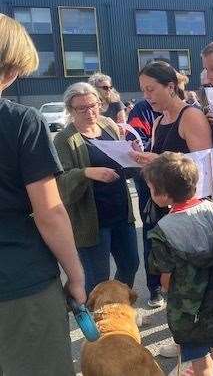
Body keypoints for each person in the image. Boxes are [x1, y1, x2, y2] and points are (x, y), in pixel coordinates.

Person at [0, 14, 85, 376]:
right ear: (9, 68)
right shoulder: (21, 121)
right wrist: (76, 275)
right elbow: (49, 211)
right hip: (18, 283)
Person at [145, 152, 213, 376]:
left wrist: (168, 289)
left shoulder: (163, 231)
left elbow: (165, 275)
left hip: (188, 312)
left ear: (164, 195)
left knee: (200, 363)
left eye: (151, 188)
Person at [130, 61, 212, 307]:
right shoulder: (158, 121)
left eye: (151, 89)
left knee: (194, 279)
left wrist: (159, 160)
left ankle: (199, 337)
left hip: (191, 213)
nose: (146, 96)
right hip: (166, 209)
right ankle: (185, 334)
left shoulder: (191, 117)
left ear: (171, 87)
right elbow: (159, 164)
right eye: (143, 90)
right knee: (173, 279)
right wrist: (143, 160)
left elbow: (205, 167)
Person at [54, 82, 139, 296]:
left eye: (93, 105)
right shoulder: (64, 139)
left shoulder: (108, 125)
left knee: (130, 265)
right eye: (81, 108)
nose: (89, 112)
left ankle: (118, 309)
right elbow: (60, 181)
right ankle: (100, 321)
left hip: (121, 212)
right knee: (97, 279)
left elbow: (121, 161)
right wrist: (86, 173)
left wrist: (132, 155)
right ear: (70, 110)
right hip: (92, 221)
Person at [125, 99, 163, 307]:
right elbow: (134, 140)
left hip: (177, 187)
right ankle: (155, 287)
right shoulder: (142, 109)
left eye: (151, 88)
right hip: (149, 183)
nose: (149, 94)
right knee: (152, 234)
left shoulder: (187, 110)